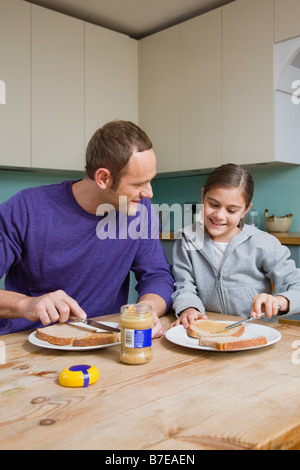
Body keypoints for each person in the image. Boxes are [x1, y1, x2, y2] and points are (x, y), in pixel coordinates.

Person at [0, 120, 174, 337]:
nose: (149, 193)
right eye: (138, 184)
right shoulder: (26, 208)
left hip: (101, 343)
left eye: (150, 181)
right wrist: (27, 304)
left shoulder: (140, 211)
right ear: (103, 178)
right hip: (24, 345)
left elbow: (157, 275)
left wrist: (146, 309)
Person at [171, 163, 300, 329]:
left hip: (256, 332)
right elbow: (184, 286)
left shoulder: (263, 243)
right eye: (213, 204)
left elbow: (296, 286)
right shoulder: (187, 239)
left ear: (246, 210)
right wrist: (189, 308)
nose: (219, 215)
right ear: (203, 196)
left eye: (231, 210)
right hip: (210, 331)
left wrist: (278, 301)